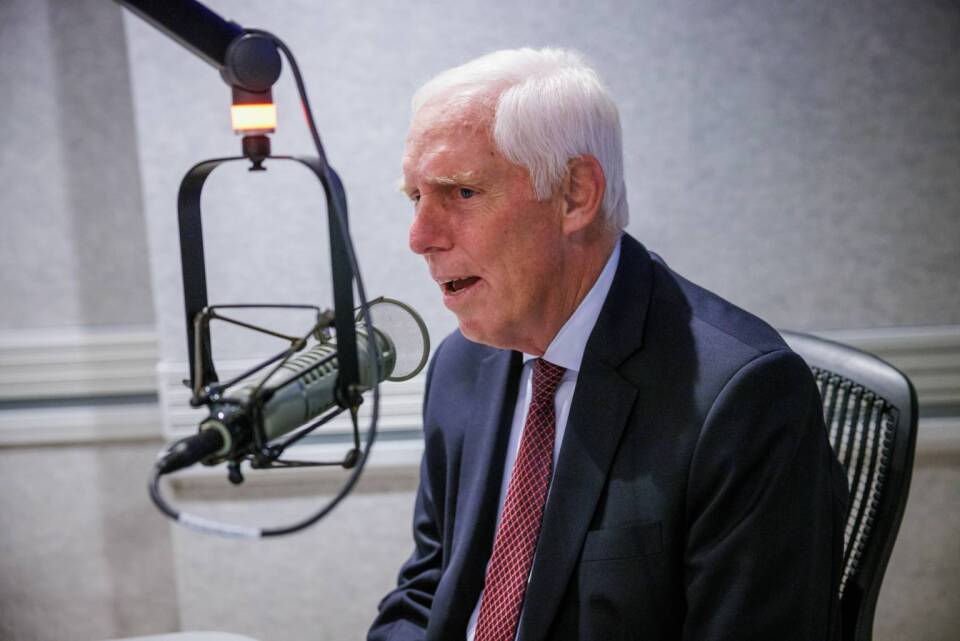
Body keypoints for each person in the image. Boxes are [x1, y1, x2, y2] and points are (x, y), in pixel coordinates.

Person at [368, 47, 848, 641]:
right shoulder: (463, 362)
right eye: (415, 197)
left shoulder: (743, 399)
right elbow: (429, 590)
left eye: (461, 193)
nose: (420, 237)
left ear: (575, 194)